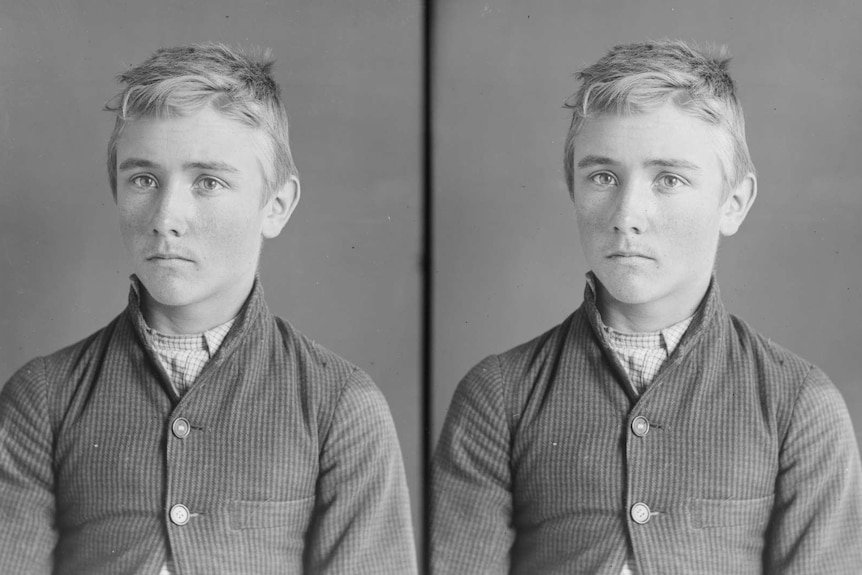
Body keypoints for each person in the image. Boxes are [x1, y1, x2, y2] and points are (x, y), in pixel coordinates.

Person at [431, 40, 862, 574]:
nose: (627, 214)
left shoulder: (799, 404)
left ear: (734, 202)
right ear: (573, 188)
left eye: (670, 179)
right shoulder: (499, 395)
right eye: (603, 177)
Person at [0, 43, 416, 574]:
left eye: (209, 182)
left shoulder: (341, 405)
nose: (166, 216)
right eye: (143, 179)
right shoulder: (43, 398)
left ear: (276, 205)